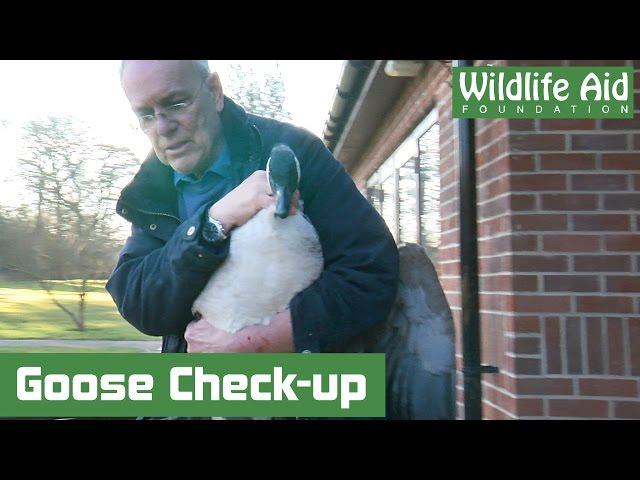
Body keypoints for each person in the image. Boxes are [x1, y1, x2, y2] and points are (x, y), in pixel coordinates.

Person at [106, 60, 399, 354]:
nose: (163, 127)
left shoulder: (295, 151)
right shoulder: (149, 192)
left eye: (178, 103)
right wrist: (211, 224)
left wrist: (257, 341)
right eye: (145, 115)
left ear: (214, 91)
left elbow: (371, 269)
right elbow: (141, 306)